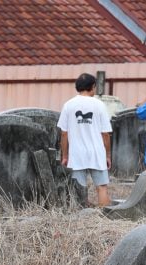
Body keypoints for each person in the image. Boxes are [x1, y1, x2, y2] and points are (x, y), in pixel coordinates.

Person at [57, 73, 112, 207]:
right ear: (93, 86)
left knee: (78, 189)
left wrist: (65, 155)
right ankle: (103, 218)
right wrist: (108, 155)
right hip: (97, 152)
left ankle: (81, 217)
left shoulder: (68, 105)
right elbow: (105, 133)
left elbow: (64, 133)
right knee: (101, 187)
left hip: (77, 153)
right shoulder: (99, 105)